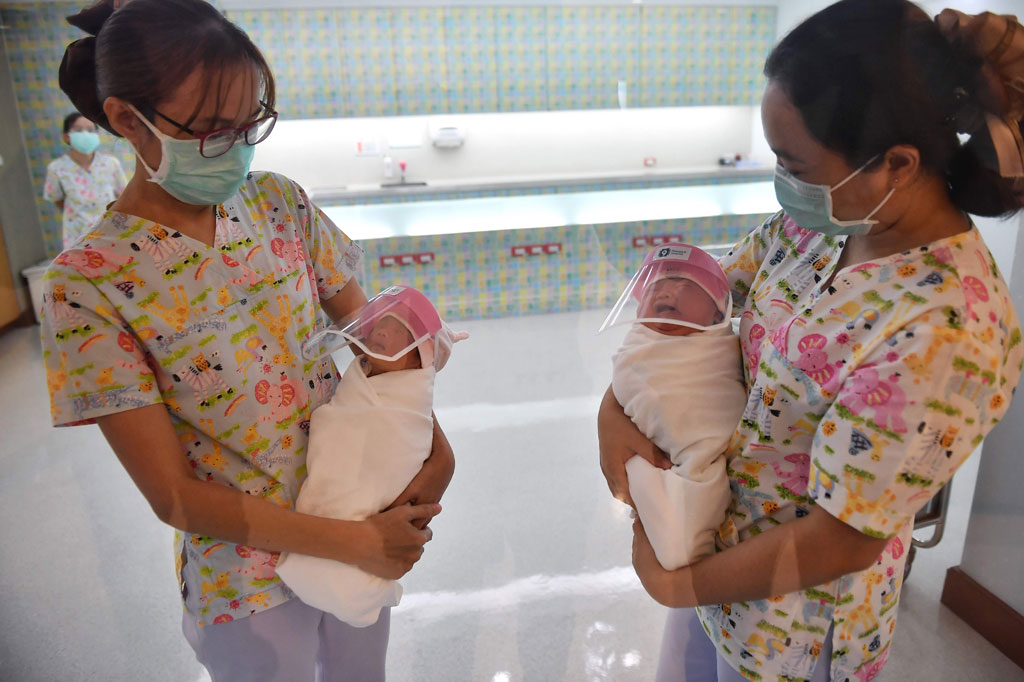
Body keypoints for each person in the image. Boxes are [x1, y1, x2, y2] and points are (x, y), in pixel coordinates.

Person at [597, 2, 1024, 681]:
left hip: (786, 634)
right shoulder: (828, 221)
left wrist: (678, 587)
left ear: (897, 163)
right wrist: (613, 412)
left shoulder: (946, 331)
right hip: (709, 560)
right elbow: (701, 300)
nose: (784, 183)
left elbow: (843, 537)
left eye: (794, 163)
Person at [42, 1, 455, 680]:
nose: (236, 146)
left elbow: (382, 351)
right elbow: (172, 494)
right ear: (126, 120)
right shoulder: (88, 285)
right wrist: (354, 542)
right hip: (247, 581)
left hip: (361, 512)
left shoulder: (279, 206)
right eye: (210, 129)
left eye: (250, 122)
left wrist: (435, 451)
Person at [276, 286, 468, 628]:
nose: (381, 332)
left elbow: (394, 445)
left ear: (417, 361)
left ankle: (346, 580)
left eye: (401, 331)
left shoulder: (402, 407)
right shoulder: (368, 376)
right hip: (264, 549)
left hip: (369, 543)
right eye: (382, 323)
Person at [600, 244, 745, 570]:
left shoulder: (717, 345)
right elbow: (629, 376)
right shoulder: (640, 344)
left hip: (710, 452)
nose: (669, 290)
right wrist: (608, 415)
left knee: (695, 475)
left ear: (716, 314)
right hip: (667, 462)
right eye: (656, 286)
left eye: (687, 286)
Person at [43, 111, 127, 248]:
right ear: (66, 137)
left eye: (90, 130)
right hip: (77, 235)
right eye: (78, 130)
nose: (85, 134)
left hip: (110, 233)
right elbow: (56, 199)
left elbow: (123, 196)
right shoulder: (57, 168)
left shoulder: (111, 164)